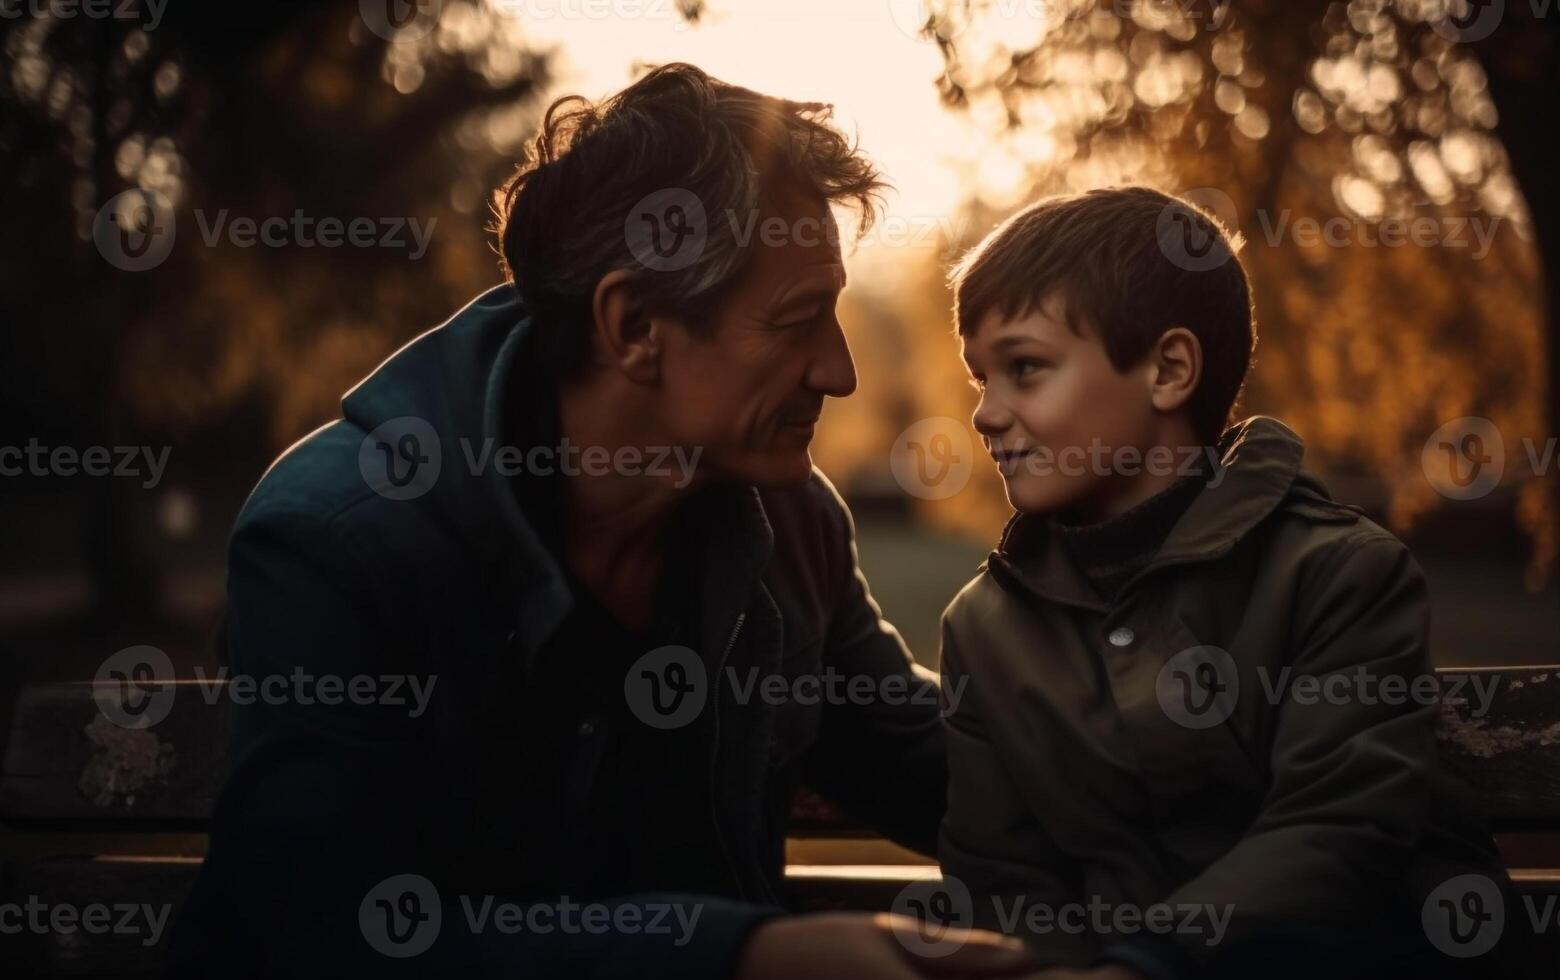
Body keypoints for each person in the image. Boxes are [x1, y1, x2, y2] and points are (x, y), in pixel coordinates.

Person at [170, 63, 1031, 980]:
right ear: (631, 326)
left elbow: (932, 772)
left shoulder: (789, 522)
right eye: (796, 322)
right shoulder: (338, 538)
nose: (839, 372)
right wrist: (748, 956)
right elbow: (314, 938)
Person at [936, 187, 1510, 979]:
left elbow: (1337, 827)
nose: (985, 415)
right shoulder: (984, 627)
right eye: (979, 380)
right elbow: (1003, 880)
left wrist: (1145, 965)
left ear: (1168, 370)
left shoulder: (1336, 574)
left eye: (1024, 369)